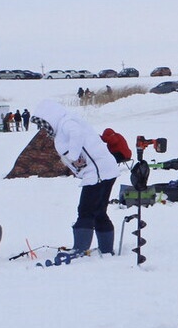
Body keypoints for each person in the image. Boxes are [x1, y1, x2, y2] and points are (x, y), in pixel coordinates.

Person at [31, 100, 121, 255]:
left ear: (50, 117)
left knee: (85, 210)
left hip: (97, 172)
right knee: (99, 211)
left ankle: (80, 248)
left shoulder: (67, 123)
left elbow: (77, 135)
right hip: (104, 170)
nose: (44, 129)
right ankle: (106, 249)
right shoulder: (63, 126)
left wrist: (72, 156)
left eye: (44, 123)